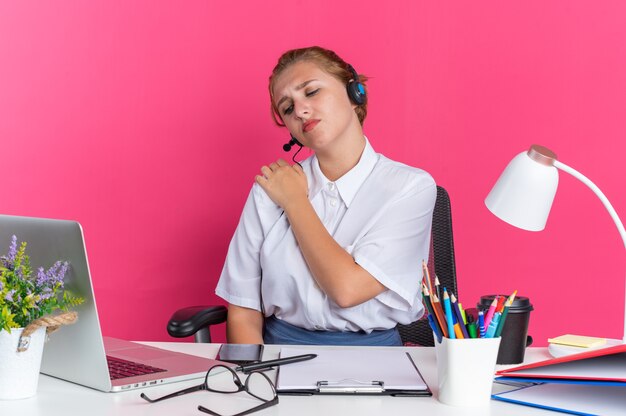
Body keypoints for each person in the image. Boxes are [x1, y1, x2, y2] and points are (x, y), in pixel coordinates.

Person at [215, 46, 436, 346]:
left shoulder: (410, 187)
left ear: (354, 91)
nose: (301, 110)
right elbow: (242, 311)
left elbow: (347, 290)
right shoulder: (271, 187)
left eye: (312, 92)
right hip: (279, 357)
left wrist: (295, 202)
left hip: (377, 362)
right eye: (288, 108)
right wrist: (257, 381)